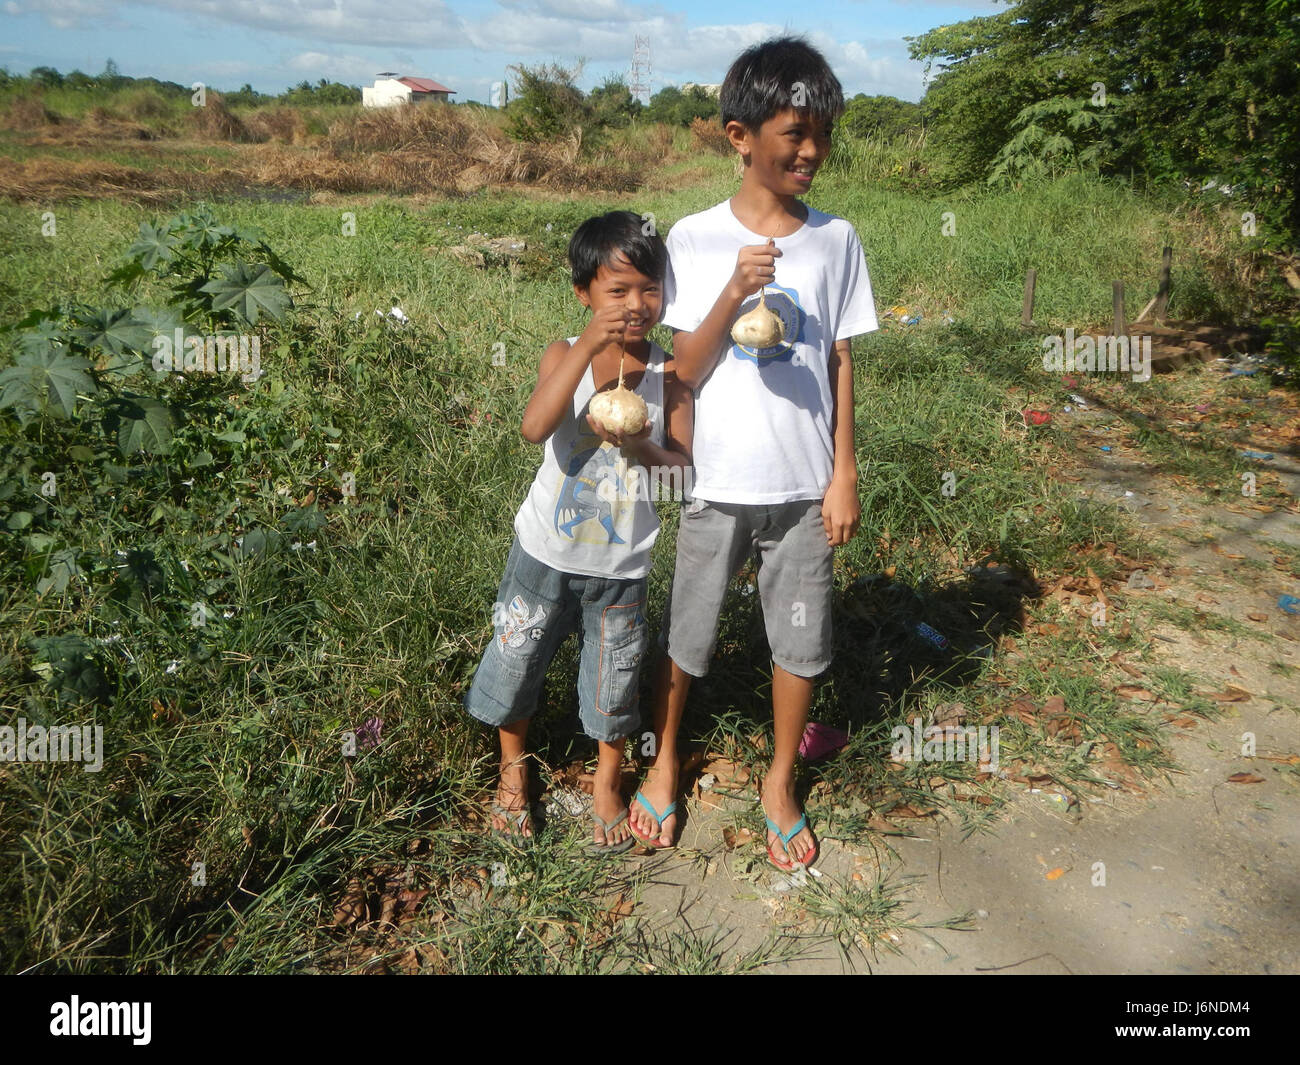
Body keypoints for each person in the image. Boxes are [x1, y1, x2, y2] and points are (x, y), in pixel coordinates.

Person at [627, 36, 879, 870]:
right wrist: (733, 290)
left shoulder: (838, 240)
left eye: (822, 134)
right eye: (794, 133)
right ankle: (665, 758)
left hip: (805, 486)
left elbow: (839, 358)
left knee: (800, 640)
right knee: (688, 632)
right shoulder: (694, 240)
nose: (812, 151)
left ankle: (779, 780)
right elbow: (680, 372)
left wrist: (843, 471)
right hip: (717, 481)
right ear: (740, 137)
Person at [464, 211, 693, 855]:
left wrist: (641, 440)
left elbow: (679, 477)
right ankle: (513, 772)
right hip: (544, 550)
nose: (636, 304)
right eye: (616, 291)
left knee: (613, 676)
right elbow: (535, 427)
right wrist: (590, 347)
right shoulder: (565, 353)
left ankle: (608, 781)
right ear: (583, 295)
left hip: (622, 564)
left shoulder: (670, 375)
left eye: (650, 288)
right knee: (518, 656)